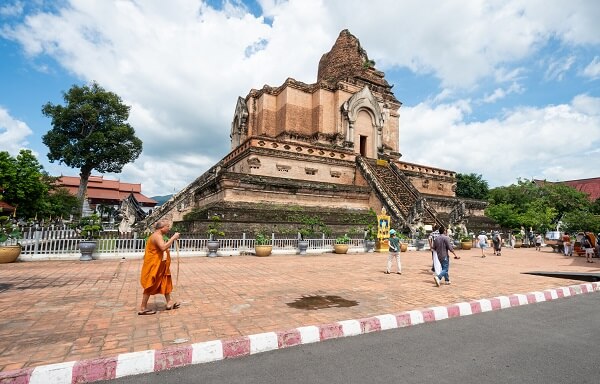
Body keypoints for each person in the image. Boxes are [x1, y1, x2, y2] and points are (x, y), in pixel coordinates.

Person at [138, 220, 181, 315]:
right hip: (154, 265)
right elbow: (162, 247)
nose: (169, 228)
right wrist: (173, 238)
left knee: (165, 281)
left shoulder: (158, 236)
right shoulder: (156, 236)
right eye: (167, 226)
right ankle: (143, 308)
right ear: (162, 227)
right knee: (150, 284)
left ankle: (169, 302)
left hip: (160, 264)